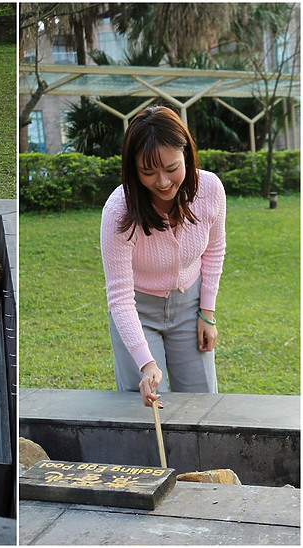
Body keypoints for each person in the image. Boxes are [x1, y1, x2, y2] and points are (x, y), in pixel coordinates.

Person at [100, 106, 226, 408]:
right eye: (148, 172)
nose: (162, 181)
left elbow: (215, 250)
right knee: (144, 405)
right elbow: (119, 295)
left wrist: (206, 313)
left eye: (171, 168)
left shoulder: (210, 189)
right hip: (137, 310)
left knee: (201, 404)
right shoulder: (119, 211)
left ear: (187, 155)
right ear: (133, 168)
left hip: (189, 304)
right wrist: (146, 364)